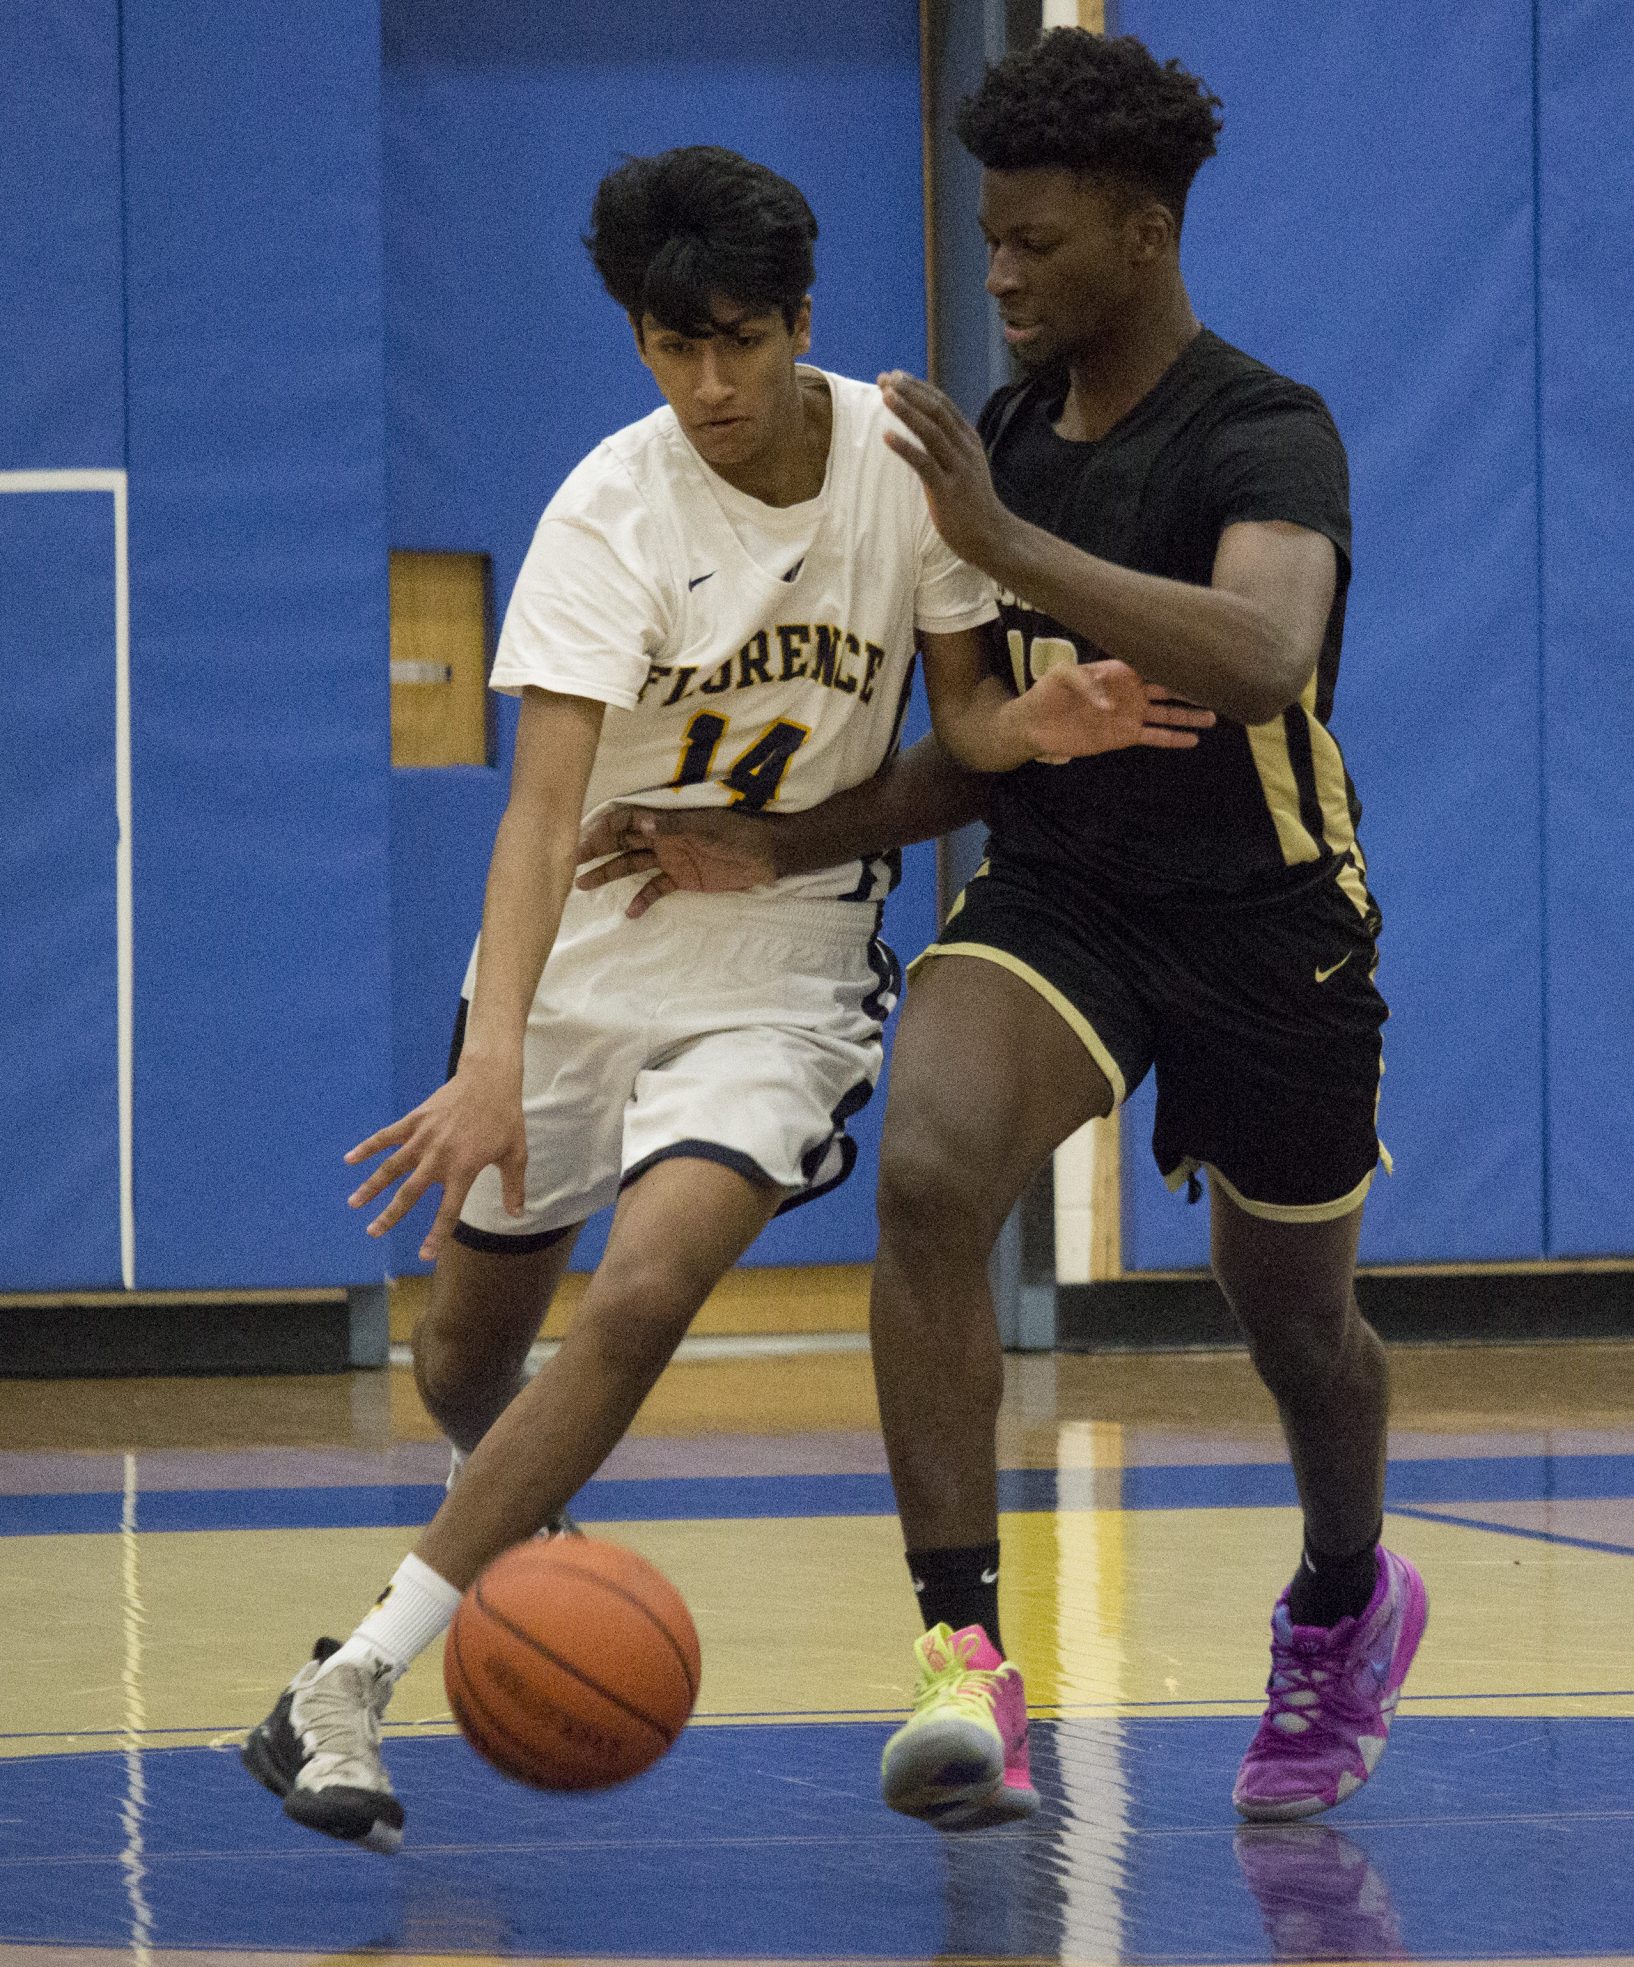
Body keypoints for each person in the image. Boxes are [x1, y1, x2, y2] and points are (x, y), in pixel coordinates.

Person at [240, 142, 1211, 1853]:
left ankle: (346, 1681)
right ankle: (515, 1536)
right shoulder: (606, 511)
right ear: (635, 343)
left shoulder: (904, 473)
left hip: (781, 966)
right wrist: (487, 1063)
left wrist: (1025, 732)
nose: (706, 385)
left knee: (645, 1293)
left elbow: (967, 721)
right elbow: (540, 817)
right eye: (670, 348)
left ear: (798, 324)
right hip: (584, 959)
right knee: (466, 1360)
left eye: (738, 344)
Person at [579, 30, 1426, 1831]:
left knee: (1295, 1333)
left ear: (1138, 228)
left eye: (1033, 241)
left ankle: (1347, 1596)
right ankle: (962, 1662)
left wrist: (1007, 541)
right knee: (932, 1171)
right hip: (1064, 897)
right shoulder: (1010, 440)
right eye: (984, 240)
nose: (1000, 274)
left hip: (1270, 927)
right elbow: (973, 756)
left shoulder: (1260, 429)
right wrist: (772, 837)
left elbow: (1264, 656)